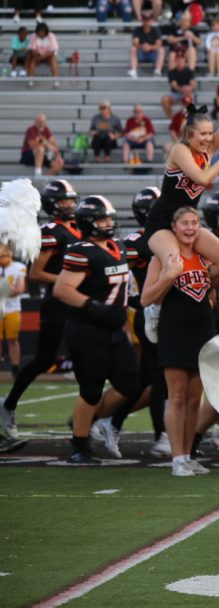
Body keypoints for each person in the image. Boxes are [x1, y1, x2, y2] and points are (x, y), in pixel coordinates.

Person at [51, 196, 140, 464]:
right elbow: (62, 289)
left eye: (109, 218)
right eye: (102, 219)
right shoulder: (81, 250)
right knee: (90, 390)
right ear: (89, 223)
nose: (108, 223)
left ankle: (85, 421)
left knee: (129, 383)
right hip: (87, 329)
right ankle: (79, 446)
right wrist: (92, 306)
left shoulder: (118, 247)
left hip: (114, 330)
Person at [143, 78, 219, 280]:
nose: (209, 138)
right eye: (203, 134)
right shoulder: (180, 150)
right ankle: (157, 305)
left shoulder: (208, 149)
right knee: (175, 267)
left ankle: (201, 293)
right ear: (189, 135)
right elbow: (201, 178)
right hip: (162, 222)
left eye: (210, 133)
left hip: (189, 222)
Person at [140, 206, 217, 476]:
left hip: (202, 330)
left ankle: (189, 456)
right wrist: (168, 276)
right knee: (177, 396)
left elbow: (213, 291)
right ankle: (177, 459)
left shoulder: (205, 257)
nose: (190, 228)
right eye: (184, 223)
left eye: (194, 223)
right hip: (175, 330)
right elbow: (146, 298)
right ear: (173, 228)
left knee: (195, 398)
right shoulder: (163, 259)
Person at [0, 181, 79, 438]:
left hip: (79, 303)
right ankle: (9, 404)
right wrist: (70, 282)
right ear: (52, 205)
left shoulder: (79, 228)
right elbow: (36, 272)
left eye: (71, 200)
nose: (70, 205)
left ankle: (93, 418)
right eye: (64, 201)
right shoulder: (51, 231)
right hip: (58, 303)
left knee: (92, 359)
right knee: (44, 360)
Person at [101, 187, 170, 458]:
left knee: (146, 376)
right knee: (160, 376)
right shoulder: (138, 241)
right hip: (151, 312)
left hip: (171, 313)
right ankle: (162, 436)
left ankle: (112, 420)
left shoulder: (167, 236)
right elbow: (117, 268)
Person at [0, 242, 26, 378]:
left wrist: (3, 292)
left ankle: (15, 367)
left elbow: (19, 290)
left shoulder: (18, 267)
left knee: (12, 339)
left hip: (12, 308)